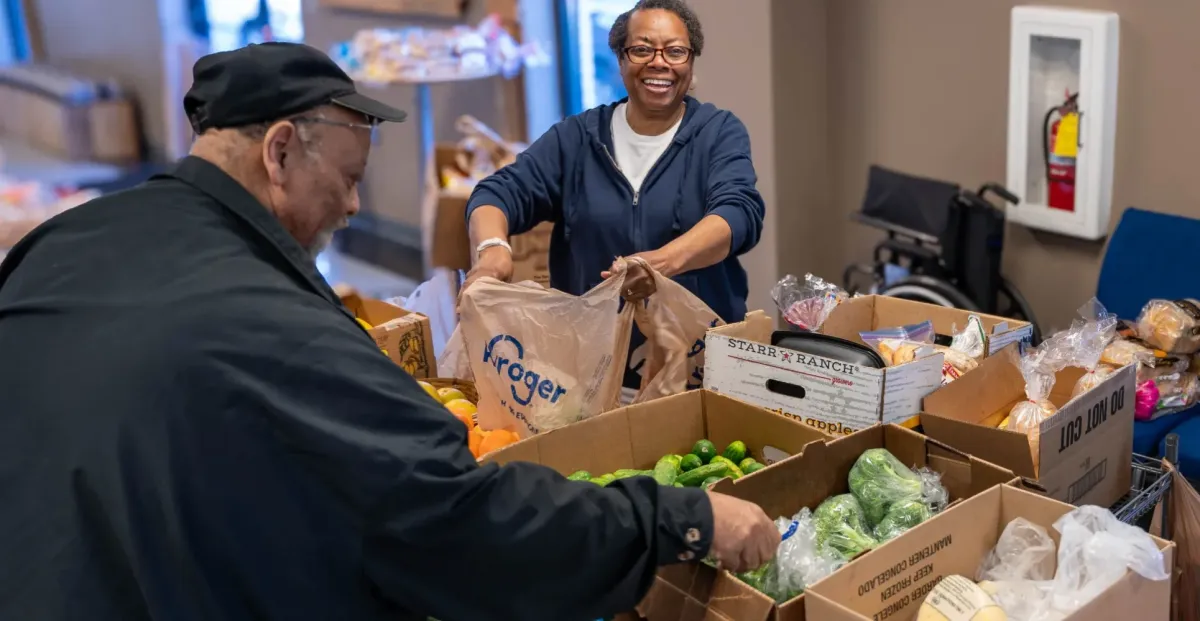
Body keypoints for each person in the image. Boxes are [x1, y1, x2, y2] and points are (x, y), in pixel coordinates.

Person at [0, 43, 779, 620]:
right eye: (346, 179)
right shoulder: (279, 326)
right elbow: (463, 525)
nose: (350, 207)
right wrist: (677, 516)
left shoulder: (59, 244)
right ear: (278, 152)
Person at [463, 0, 765, 390]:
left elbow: (739, 213)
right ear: (621, 60)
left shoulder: (717, 132)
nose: (659, 63)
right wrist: (492, 250)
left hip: (699, 367)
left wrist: (660, 265)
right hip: (594, 370)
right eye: (642, 49)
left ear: (690, 64)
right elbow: (498, 192)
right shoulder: (577, 139)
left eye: (675, 51)